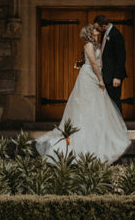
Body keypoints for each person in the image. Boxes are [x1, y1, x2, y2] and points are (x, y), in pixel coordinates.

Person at [35, 23, 130, 164]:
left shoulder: (96, 45)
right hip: (89, 76)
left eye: (97, 29)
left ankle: (98, 134)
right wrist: (100, 79)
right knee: (86, 105)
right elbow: (92, 63)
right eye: (94, 29)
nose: (97, 31)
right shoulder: (88, 46)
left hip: (95, 75)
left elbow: (100, 63)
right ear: (89, 33)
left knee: (97, 105)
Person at [94, 13, 127, 114]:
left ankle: (119, 126)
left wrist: (117, 76)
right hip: (107, 74)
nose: (97, 30)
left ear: (103, 25)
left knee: (115, 101)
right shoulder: (105, 33)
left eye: (97, 27)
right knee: (108, 102)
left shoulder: (116, 34)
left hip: (114, 75)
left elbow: (121, 56)